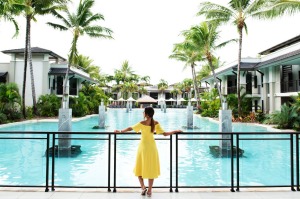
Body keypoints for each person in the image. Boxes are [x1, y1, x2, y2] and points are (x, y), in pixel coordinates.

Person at [114, 106, 182, 197]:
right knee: (151, 169)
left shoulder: (143, 123)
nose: (143, 113)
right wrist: (176, 131)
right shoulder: (155, 123)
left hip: (143, 148)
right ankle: (149, 190)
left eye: (143, 112)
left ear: (146, 114)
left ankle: (143, 187)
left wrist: (120, 131)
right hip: (152, 148)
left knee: (139, 169)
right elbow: (165, 134)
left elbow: (131, 128)